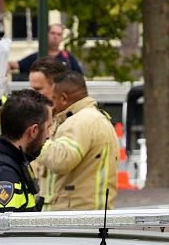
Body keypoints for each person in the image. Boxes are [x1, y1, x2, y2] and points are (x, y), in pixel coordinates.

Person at [30, 70, 118, 211]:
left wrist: (35, 141)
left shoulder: (81, 121)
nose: (53, 105)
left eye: (54, 99)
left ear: (64, 98)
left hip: (72, 219)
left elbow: (61, 160)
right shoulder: (93, 118)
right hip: (82, 217)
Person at [17, 23, 84, 77]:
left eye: (59, 34)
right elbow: (15, 65)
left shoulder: (68, 58)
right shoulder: (37, 57)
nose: (55, 36)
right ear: (46, 35)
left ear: (62, 38)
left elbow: (79, 78)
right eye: (53, 33)